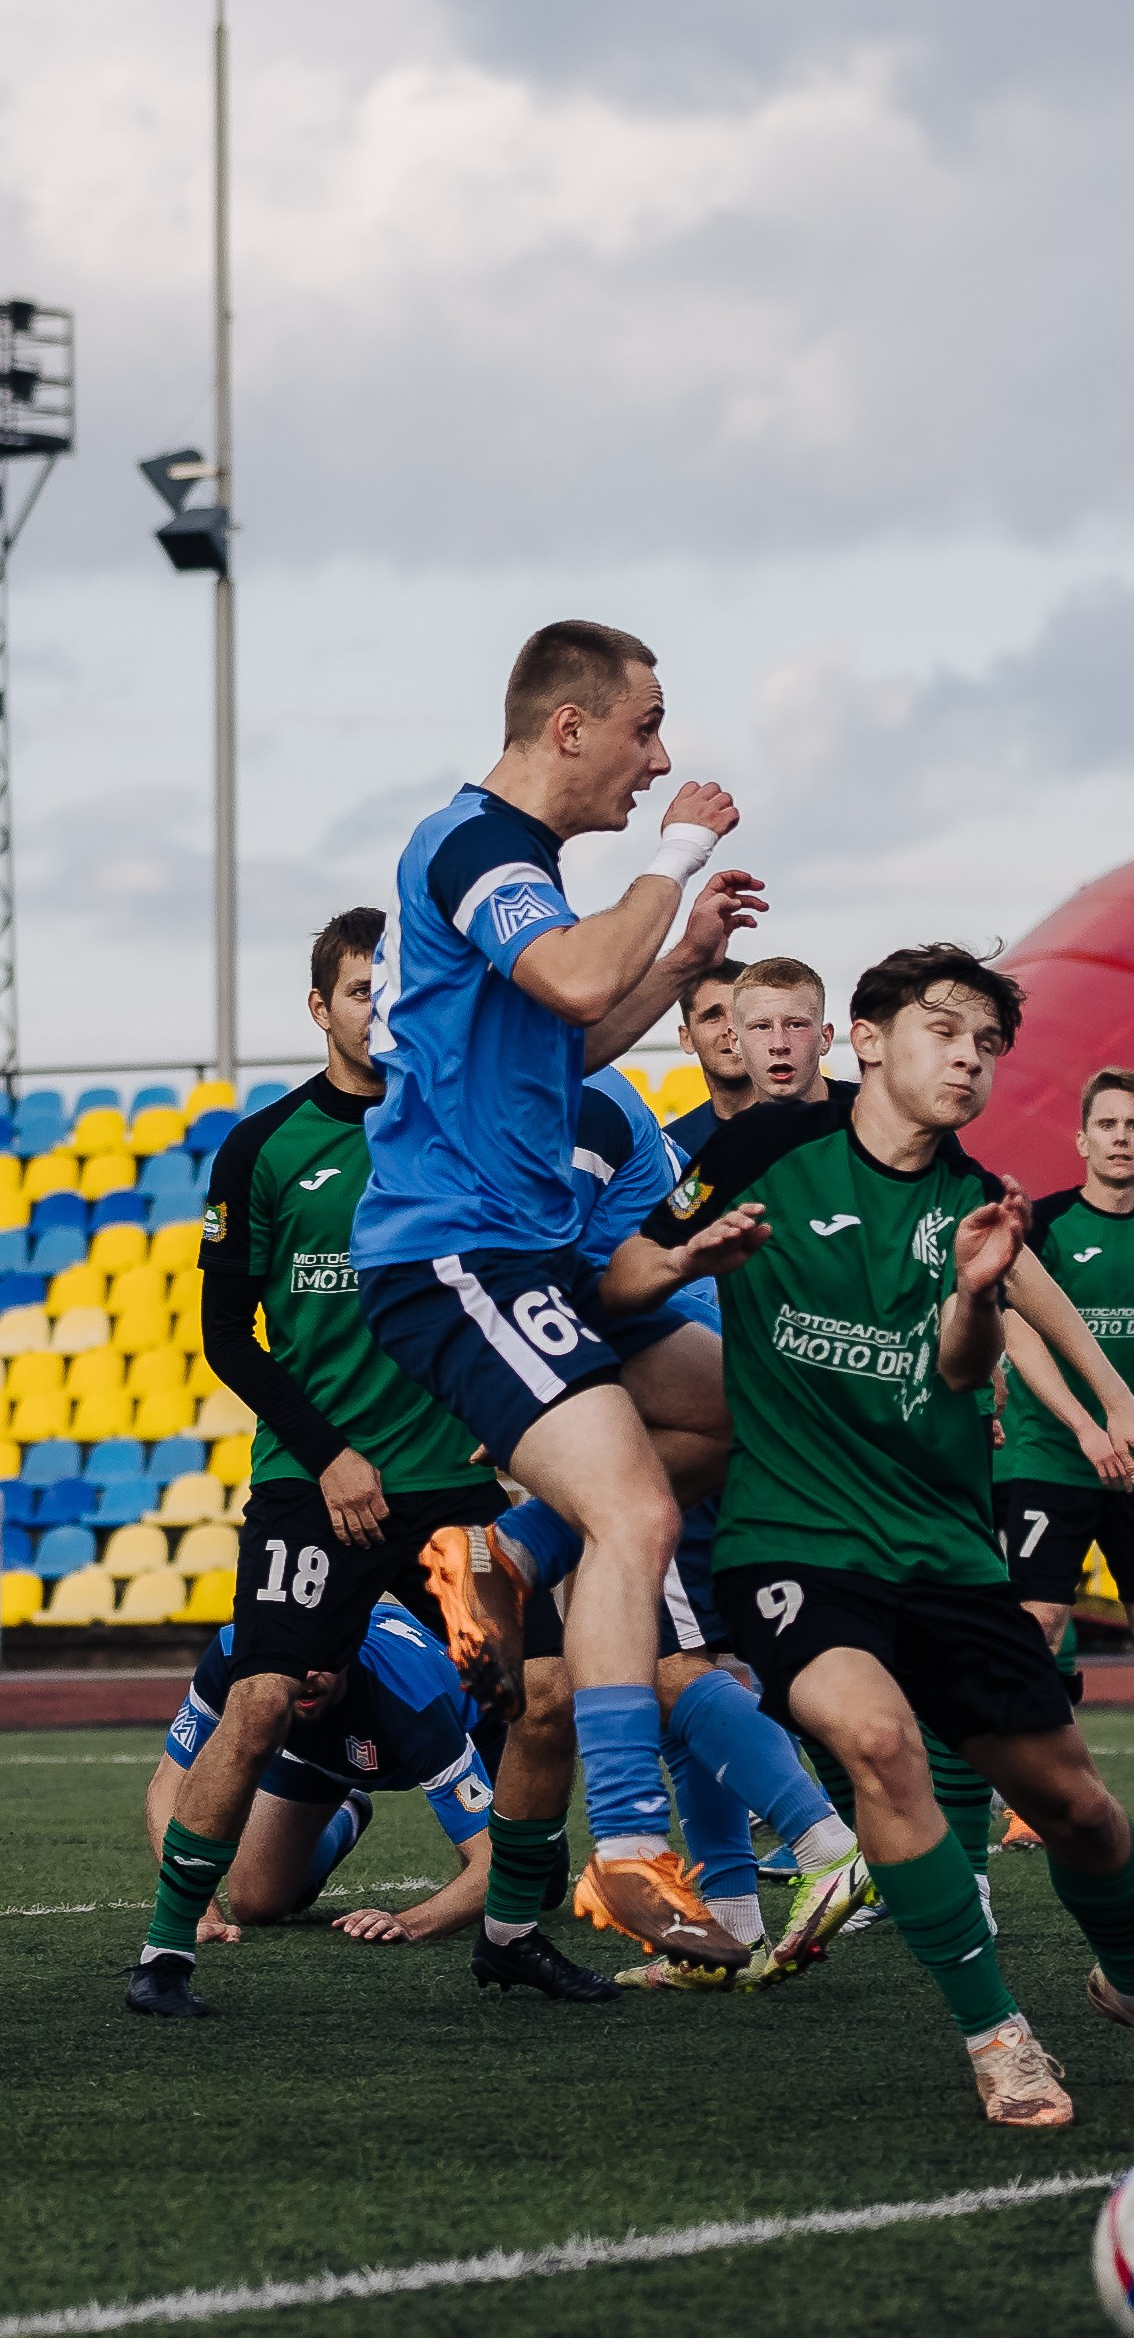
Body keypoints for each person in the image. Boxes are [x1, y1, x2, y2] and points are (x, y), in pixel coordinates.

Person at [600, 943, 1134, 2129]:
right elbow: (617, 1282)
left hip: (946, 1548)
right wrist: (685, 1258)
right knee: (877, 1742)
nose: (968, 1058)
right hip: (795, 1539)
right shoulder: (761, 1147)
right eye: (943, 1032)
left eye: (986, 1044)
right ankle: (998, 2035)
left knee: (1077, 1807)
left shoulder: (973, 1202)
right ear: (864, 1040)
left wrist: (979, 1301)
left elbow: (964, 1369)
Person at [351, 619, 764, 1972]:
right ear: (569, 725)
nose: (657, 758)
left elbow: (571, 1028)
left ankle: (511, 1550)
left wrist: (682, 959)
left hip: (523, 1250)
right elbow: (576, 970)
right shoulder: (476, 846)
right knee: (638, 1504)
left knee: (719, 1412)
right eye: (644, 725)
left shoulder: (506, 872)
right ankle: (636, 1840)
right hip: (452, 1249)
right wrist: (676, 857)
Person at [125, 909, 595, 2018]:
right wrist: (332, 1455)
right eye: (356, 991)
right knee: (261, 1700)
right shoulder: (266, 1146)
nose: (378, 1009)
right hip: (316, 1486)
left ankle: (514, 1932)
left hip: (454, 1478)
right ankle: (164, 1957)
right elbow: (229, 1336)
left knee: (546, 1692)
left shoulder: (460, 1133)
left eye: (393, 989)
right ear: (320, 1008)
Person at [487, 1063, 867, 1991]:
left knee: (662, 1666)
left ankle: (826, 1843)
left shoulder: (570, 1097)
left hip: (656, 1401)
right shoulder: (602, 1103)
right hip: (687, 1389)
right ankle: (728, 1919)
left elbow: (543, 1262)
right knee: (676, 1668)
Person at [994, 1068, 1134, 1879]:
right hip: (1049, 1455)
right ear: (1081, 1139)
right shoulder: (1041, 1226)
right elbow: (1019, 1330)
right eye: (1106, 1123)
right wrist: (1083, 1425)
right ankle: (1037, 1799)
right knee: (1038, 1622)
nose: (1120, 1136)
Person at [145, 1601, 497, 1947]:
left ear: (349, 1649)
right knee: (256, 1902)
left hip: (476, 1725)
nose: (308, 1675)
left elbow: (495, 1864)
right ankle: (349, 1811)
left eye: (324, 1658)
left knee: (532, 1886)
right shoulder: (230, 1655)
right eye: (294, 1658)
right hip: (317, 1751)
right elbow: (167, 1789)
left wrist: (407, 1923)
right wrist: (198, 1911)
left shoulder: (413, 1701)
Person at [665, 959, 755, 1163]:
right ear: (686, 1038)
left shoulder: (818, 1126)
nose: (731, 1030)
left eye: (742, 1015)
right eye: (713, 1017)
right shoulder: (672, 1147)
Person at [731, 955, 849, 1111]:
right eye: (762, 1027)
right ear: (735, 1042)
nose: (779, 1045)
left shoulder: (881, 1116)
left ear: (825, 1038)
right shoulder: (730, 1135)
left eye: (796, 1025)